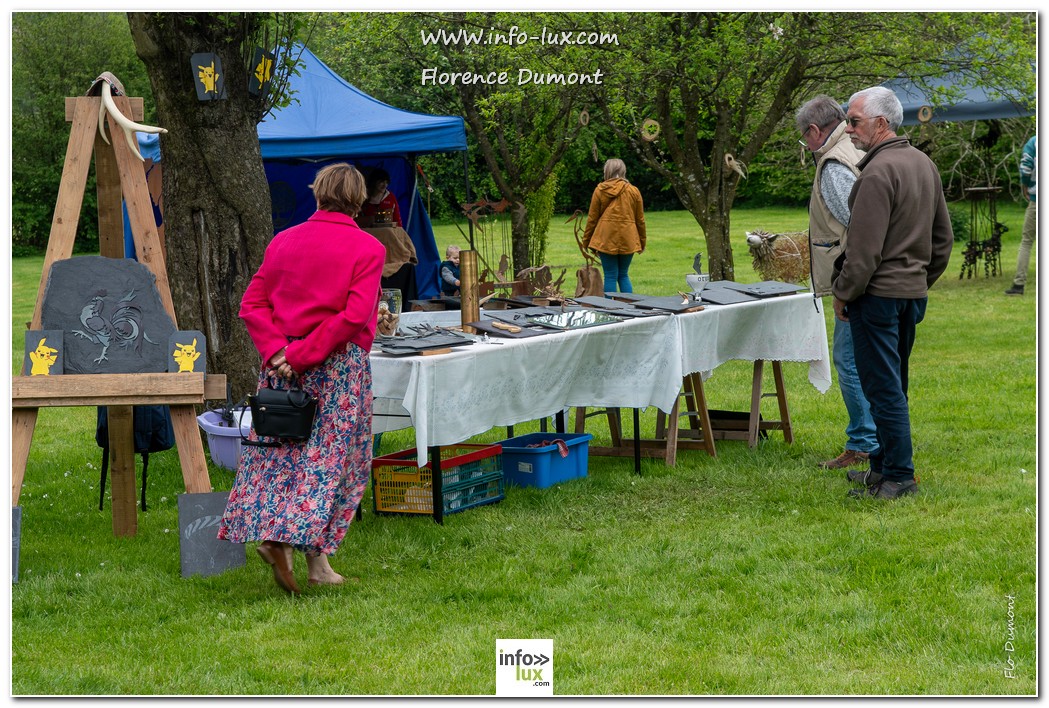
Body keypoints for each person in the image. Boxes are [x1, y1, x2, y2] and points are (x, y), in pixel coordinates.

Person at [218, 162, 385, 593]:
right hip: (335, 367)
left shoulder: (283, 242)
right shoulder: (367, 248)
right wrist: (303, 354)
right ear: (358, 200)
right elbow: (353, 315)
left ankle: (299, 553)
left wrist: (279, 352)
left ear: (317, 195)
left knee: (280, 458)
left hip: (280, 369)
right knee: (334, 463)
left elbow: (252, 304)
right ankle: (301, 552)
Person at [832, 86, 954, 500]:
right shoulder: (923, 164)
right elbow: (943, 242)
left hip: (878, 296)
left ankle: (899, 475)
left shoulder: (878, 172)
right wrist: (919, 282)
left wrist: (843, 294)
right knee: (891, 385)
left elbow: (863, 254)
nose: (848, 129)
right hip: (908, 295)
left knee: (882, 389)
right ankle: (882, 468)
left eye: (854, 121)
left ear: (881, 124)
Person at [796, 95, 878, 471]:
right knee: (867, 361)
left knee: (849, 362)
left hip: (856, 280)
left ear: (814, 131)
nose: (805, 145)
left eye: (804, 137)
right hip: (867, 277)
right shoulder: (851, 150)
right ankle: (874, 438)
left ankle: (863, 442)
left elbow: (859, 226)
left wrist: (847, 288)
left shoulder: (833, 165)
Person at [582, 158, 646, 293]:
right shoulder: (634, 191)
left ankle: (610, 310)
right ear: (623, 171)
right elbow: (640, 220)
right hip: (628, 237)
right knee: (623, 275)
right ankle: (628, 309)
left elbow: (592, 218)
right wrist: (642, 242)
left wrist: (586, 241)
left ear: (607, 171)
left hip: (606, 238)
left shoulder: (600, 190)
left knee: (610, 276)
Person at [1005, 135, 1036, 296]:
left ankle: (1019, 284)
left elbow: (1025, 168)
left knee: (1026, 242)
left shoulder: (1034, 142)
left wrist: (1026, 186)